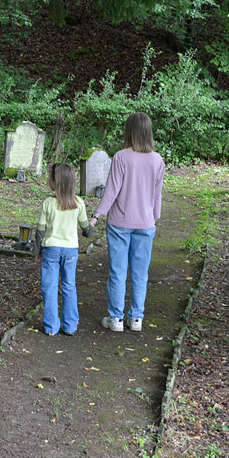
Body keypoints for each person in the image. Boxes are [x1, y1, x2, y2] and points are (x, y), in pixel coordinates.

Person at [91, 112, 165, 333]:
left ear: (130, 131)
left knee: (118, 272)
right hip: (146, 223)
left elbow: (112, 191)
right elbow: (157, 194)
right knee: (141, 274)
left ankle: (115, 319)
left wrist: (96, 216)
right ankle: (136, 319)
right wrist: (155, 218)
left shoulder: (121, 157)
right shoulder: (157, 160)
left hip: (120, 223)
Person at [36, 162, 92, 336]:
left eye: (50, 178)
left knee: (50, 287)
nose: (48, 180)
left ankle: (51, 326)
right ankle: (70, 326)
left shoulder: (47, 203)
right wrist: (90, 230)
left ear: (56, 182)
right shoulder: (78, 203)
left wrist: (36, 252)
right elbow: (86, 228)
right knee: (69, 286)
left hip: (50, 249)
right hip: (70, 251)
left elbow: (40, 232)